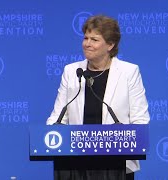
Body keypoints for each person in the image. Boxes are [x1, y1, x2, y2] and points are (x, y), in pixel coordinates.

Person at [47, 15, 150, 180]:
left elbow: (140, 120)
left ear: (110, 44)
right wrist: (50, 134)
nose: (87, 44)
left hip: (115, 165)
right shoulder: (72, 71)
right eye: (85, 38)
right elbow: (58, 116)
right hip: (75, 164)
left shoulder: (129, 72)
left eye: (94, 40)